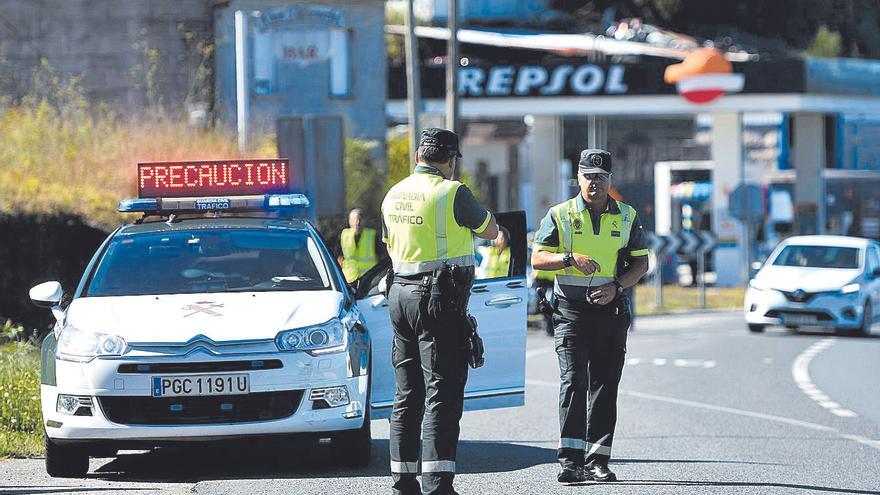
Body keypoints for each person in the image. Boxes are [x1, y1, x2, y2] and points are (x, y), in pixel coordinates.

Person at [381, 128, 498, 495]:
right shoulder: (452, 191)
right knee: (442, 392)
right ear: (449, 160)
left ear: (418, 156)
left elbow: (390, 244)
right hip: (438, 299)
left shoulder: (393, 193)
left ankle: (403, 479)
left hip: (399, 293)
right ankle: (437, 484)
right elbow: (491, 230)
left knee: (407, 391)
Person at [531, 149, 649, 484]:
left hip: (609, 312)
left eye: (600, 177)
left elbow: (642, 262)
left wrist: (617, 286)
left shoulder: (626, 216)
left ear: (610, 180)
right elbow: (538, 259)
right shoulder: (560, 214)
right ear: (578, 179)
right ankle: (570, 461)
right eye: (588, 176)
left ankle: (597, 460)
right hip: (570, 312)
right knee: (573, 382)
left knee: (604, 385)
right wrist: (569, 258)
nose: (594, 183)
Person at [337, 208, 382, 283]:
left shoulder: (372, 235)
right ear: (349, 221)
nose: (357, 223)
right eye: (354, 220)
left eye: (359, 219)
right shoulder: (344, 235)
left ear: (364, 221)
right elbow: (338, 258)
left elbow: (380, 256)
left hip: (369, 279)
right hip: (349, 279)